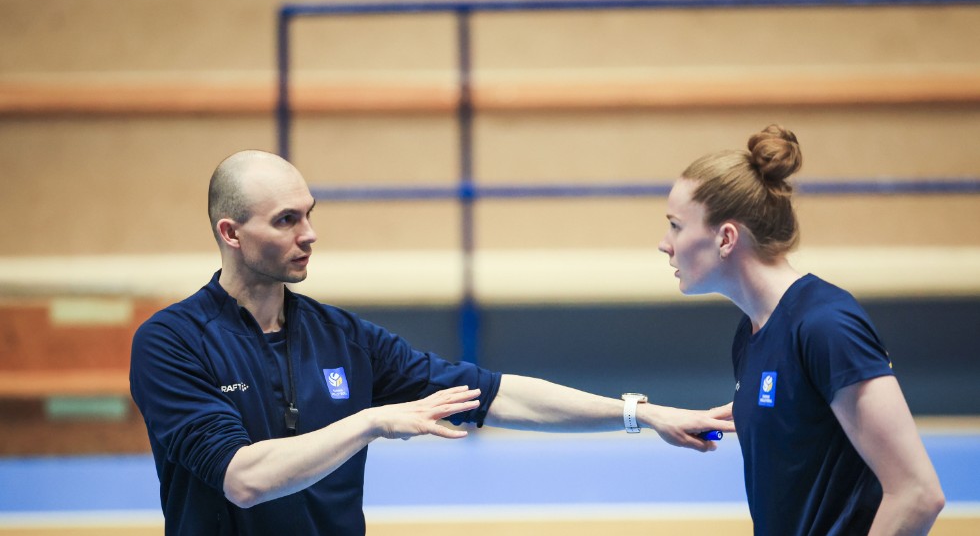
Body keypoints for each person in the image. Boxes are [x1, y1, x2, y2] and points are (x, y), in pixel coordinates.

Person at [130, 149, 734, 535]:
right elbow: (243, 479)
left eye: (309, 214)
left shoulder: (340, 335)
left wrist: (638, 413)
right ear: (230, 233)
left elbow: (495, 397)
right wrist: (371, 422)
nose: (310, 234)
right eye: (286, 220)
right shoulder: (172, 343)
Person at [657, 124, 945, 535]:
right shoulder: (751, 332)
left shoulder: (826, 324)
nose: (665, 243)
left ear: (725, 238)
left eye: (676, 225)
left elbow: (917, 493)